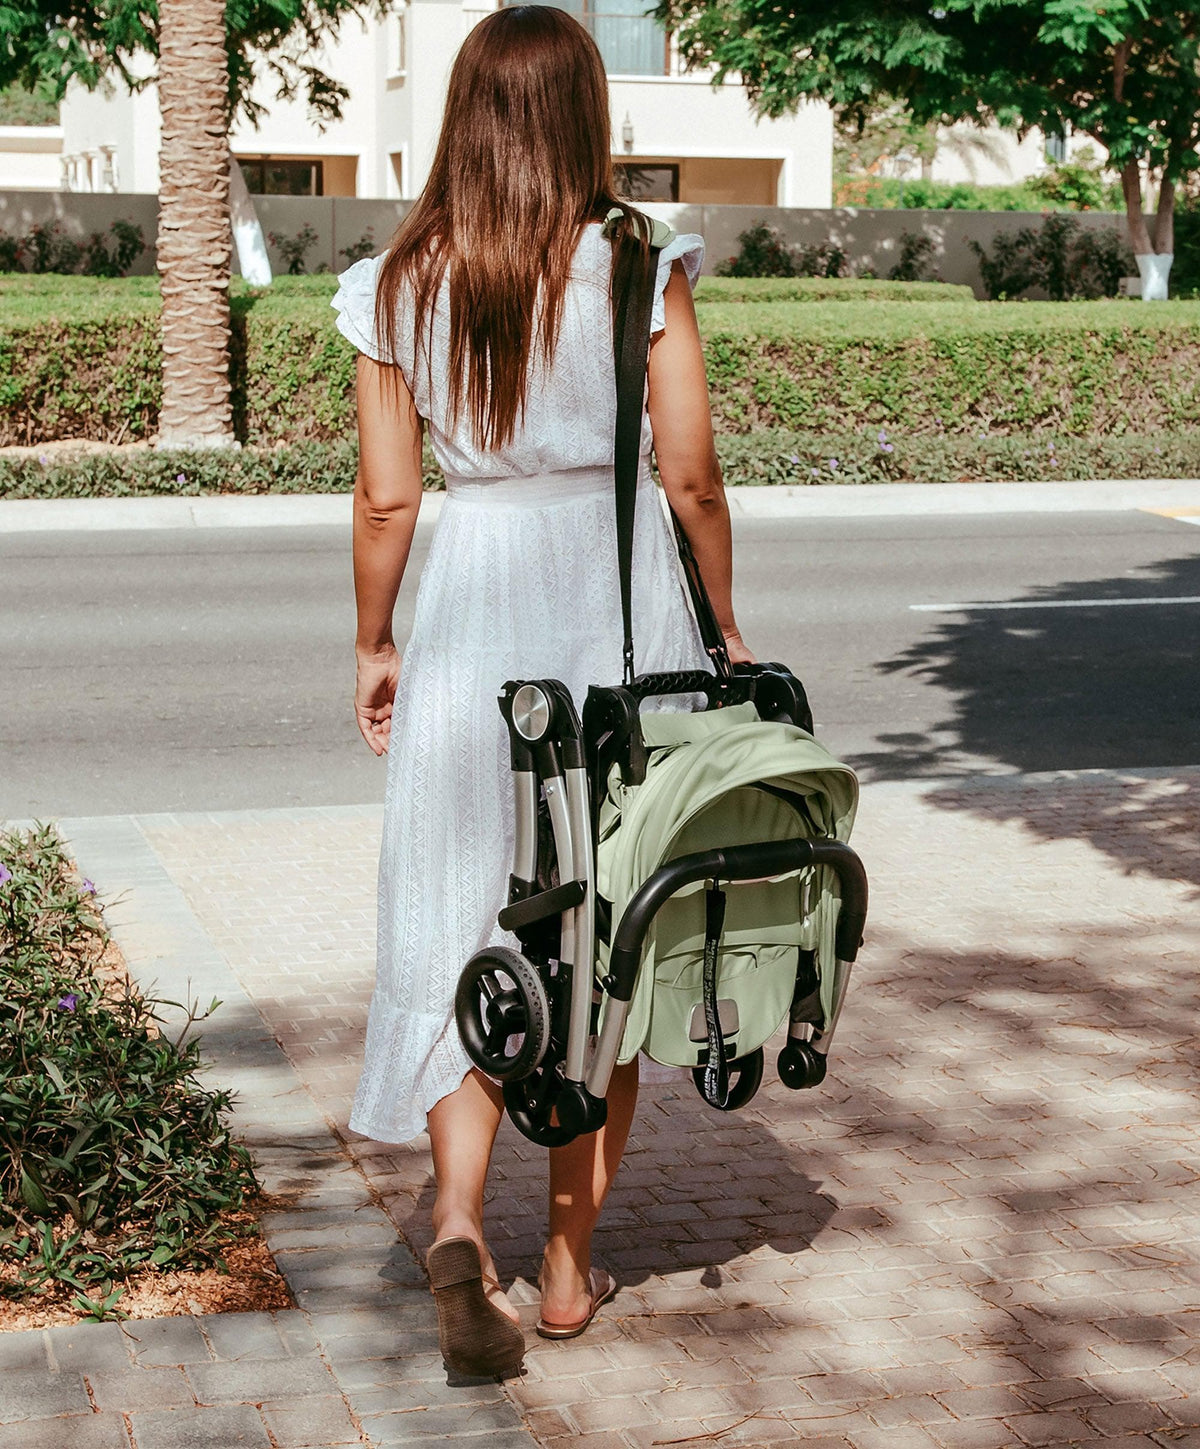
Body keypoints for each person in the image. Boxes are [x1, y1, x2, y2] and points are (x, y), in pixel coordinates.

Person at [332, 3, 753, 1377]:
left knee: (471, 908)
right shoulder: (639, 259)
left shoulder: (402, 278)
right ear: (584, 114)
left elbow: (389, 498)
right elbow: (689, 476)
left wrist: (376, 639)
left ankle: (459, 1222)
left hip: (471, 603)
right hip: (616, 606)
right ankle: (568, 1270)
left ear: (465, 111)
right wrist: (730, 627)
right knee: (608, 927)